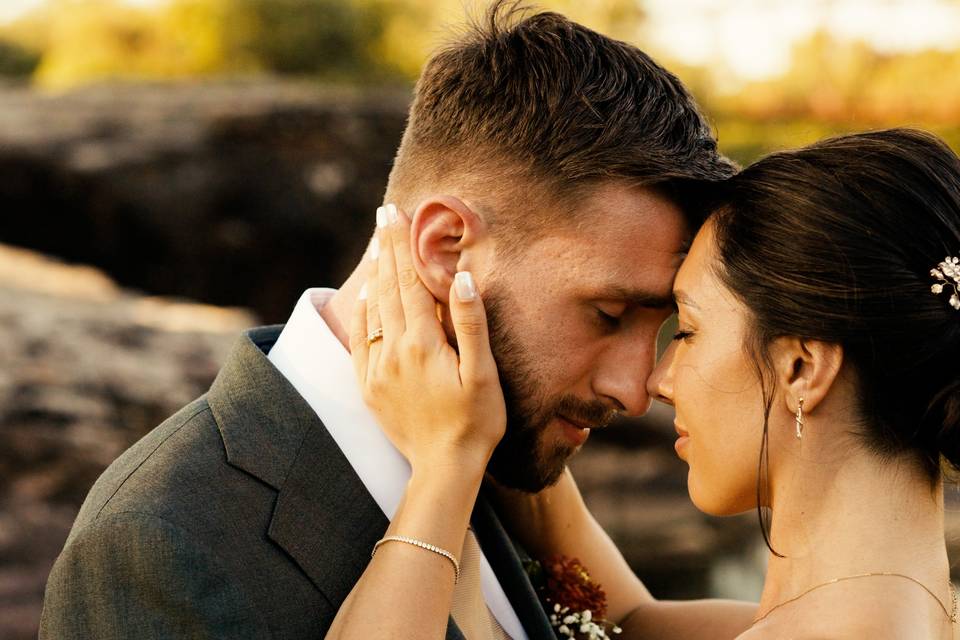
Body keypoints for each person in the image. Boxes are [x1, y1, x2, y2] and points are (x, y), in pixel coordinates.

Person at [39, 2, 756, 639]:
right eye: (607, 314)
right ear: (447, 247)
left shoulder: (502, 443)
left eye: (661, 326)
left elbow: (630, 623)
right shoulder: (158, 545)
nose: (636, 391)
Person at [342, 127, 960, 640]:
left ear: (802, 367)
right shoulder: (881, 613)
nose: (654, 384)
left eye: (686, 331)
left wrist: (447, 461)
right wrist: (511, 395)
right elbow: (633, 623)